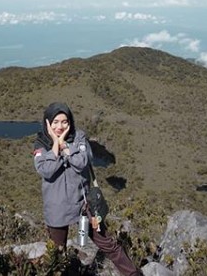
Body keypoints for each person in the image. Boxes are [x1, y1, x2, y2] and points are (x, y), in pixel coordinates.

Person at [33, 102, 142, 276]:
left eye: (64, 122)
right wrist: (55, 144)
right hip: (57, 208)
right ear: (47, 123)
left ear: (70, 122)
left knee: (108, 243)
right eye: (55, 122)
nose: (60, 126)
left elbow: (82, 162)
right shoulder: (41, 143)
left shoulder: (79, 137)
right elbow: (46, 170)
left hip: (83, 205)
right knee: (57, 252)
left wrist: (65, 147)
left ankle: (132, 274)